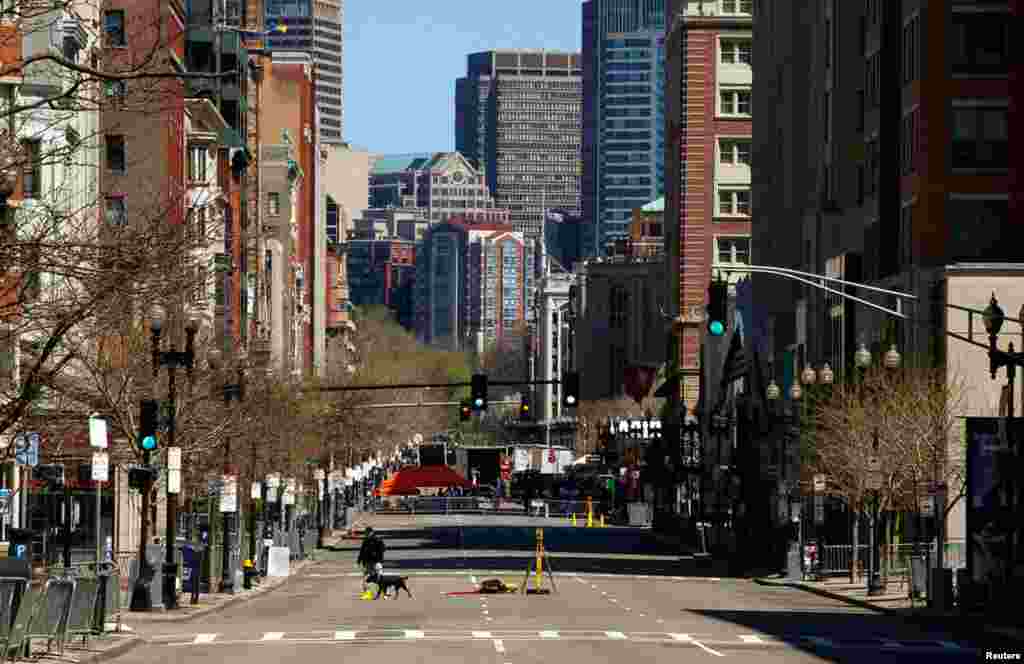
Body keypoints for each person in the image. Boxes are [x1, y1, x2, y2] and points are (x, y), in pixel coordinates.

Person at [357, 527, 386, 592]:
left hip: (376, 562)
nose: (366, 534)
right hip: (368, 562)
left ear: (371, 532)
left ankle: (383, 589)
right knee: (366, 577)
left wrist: (376, 553)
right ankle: (367, 591)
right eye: (365, 533)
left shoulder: (378, 540)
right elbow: (362, 551)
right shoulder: (365, 541)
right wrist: (359, 560)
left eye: (367, 533)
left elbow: (383, 548)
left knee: (379, 576)